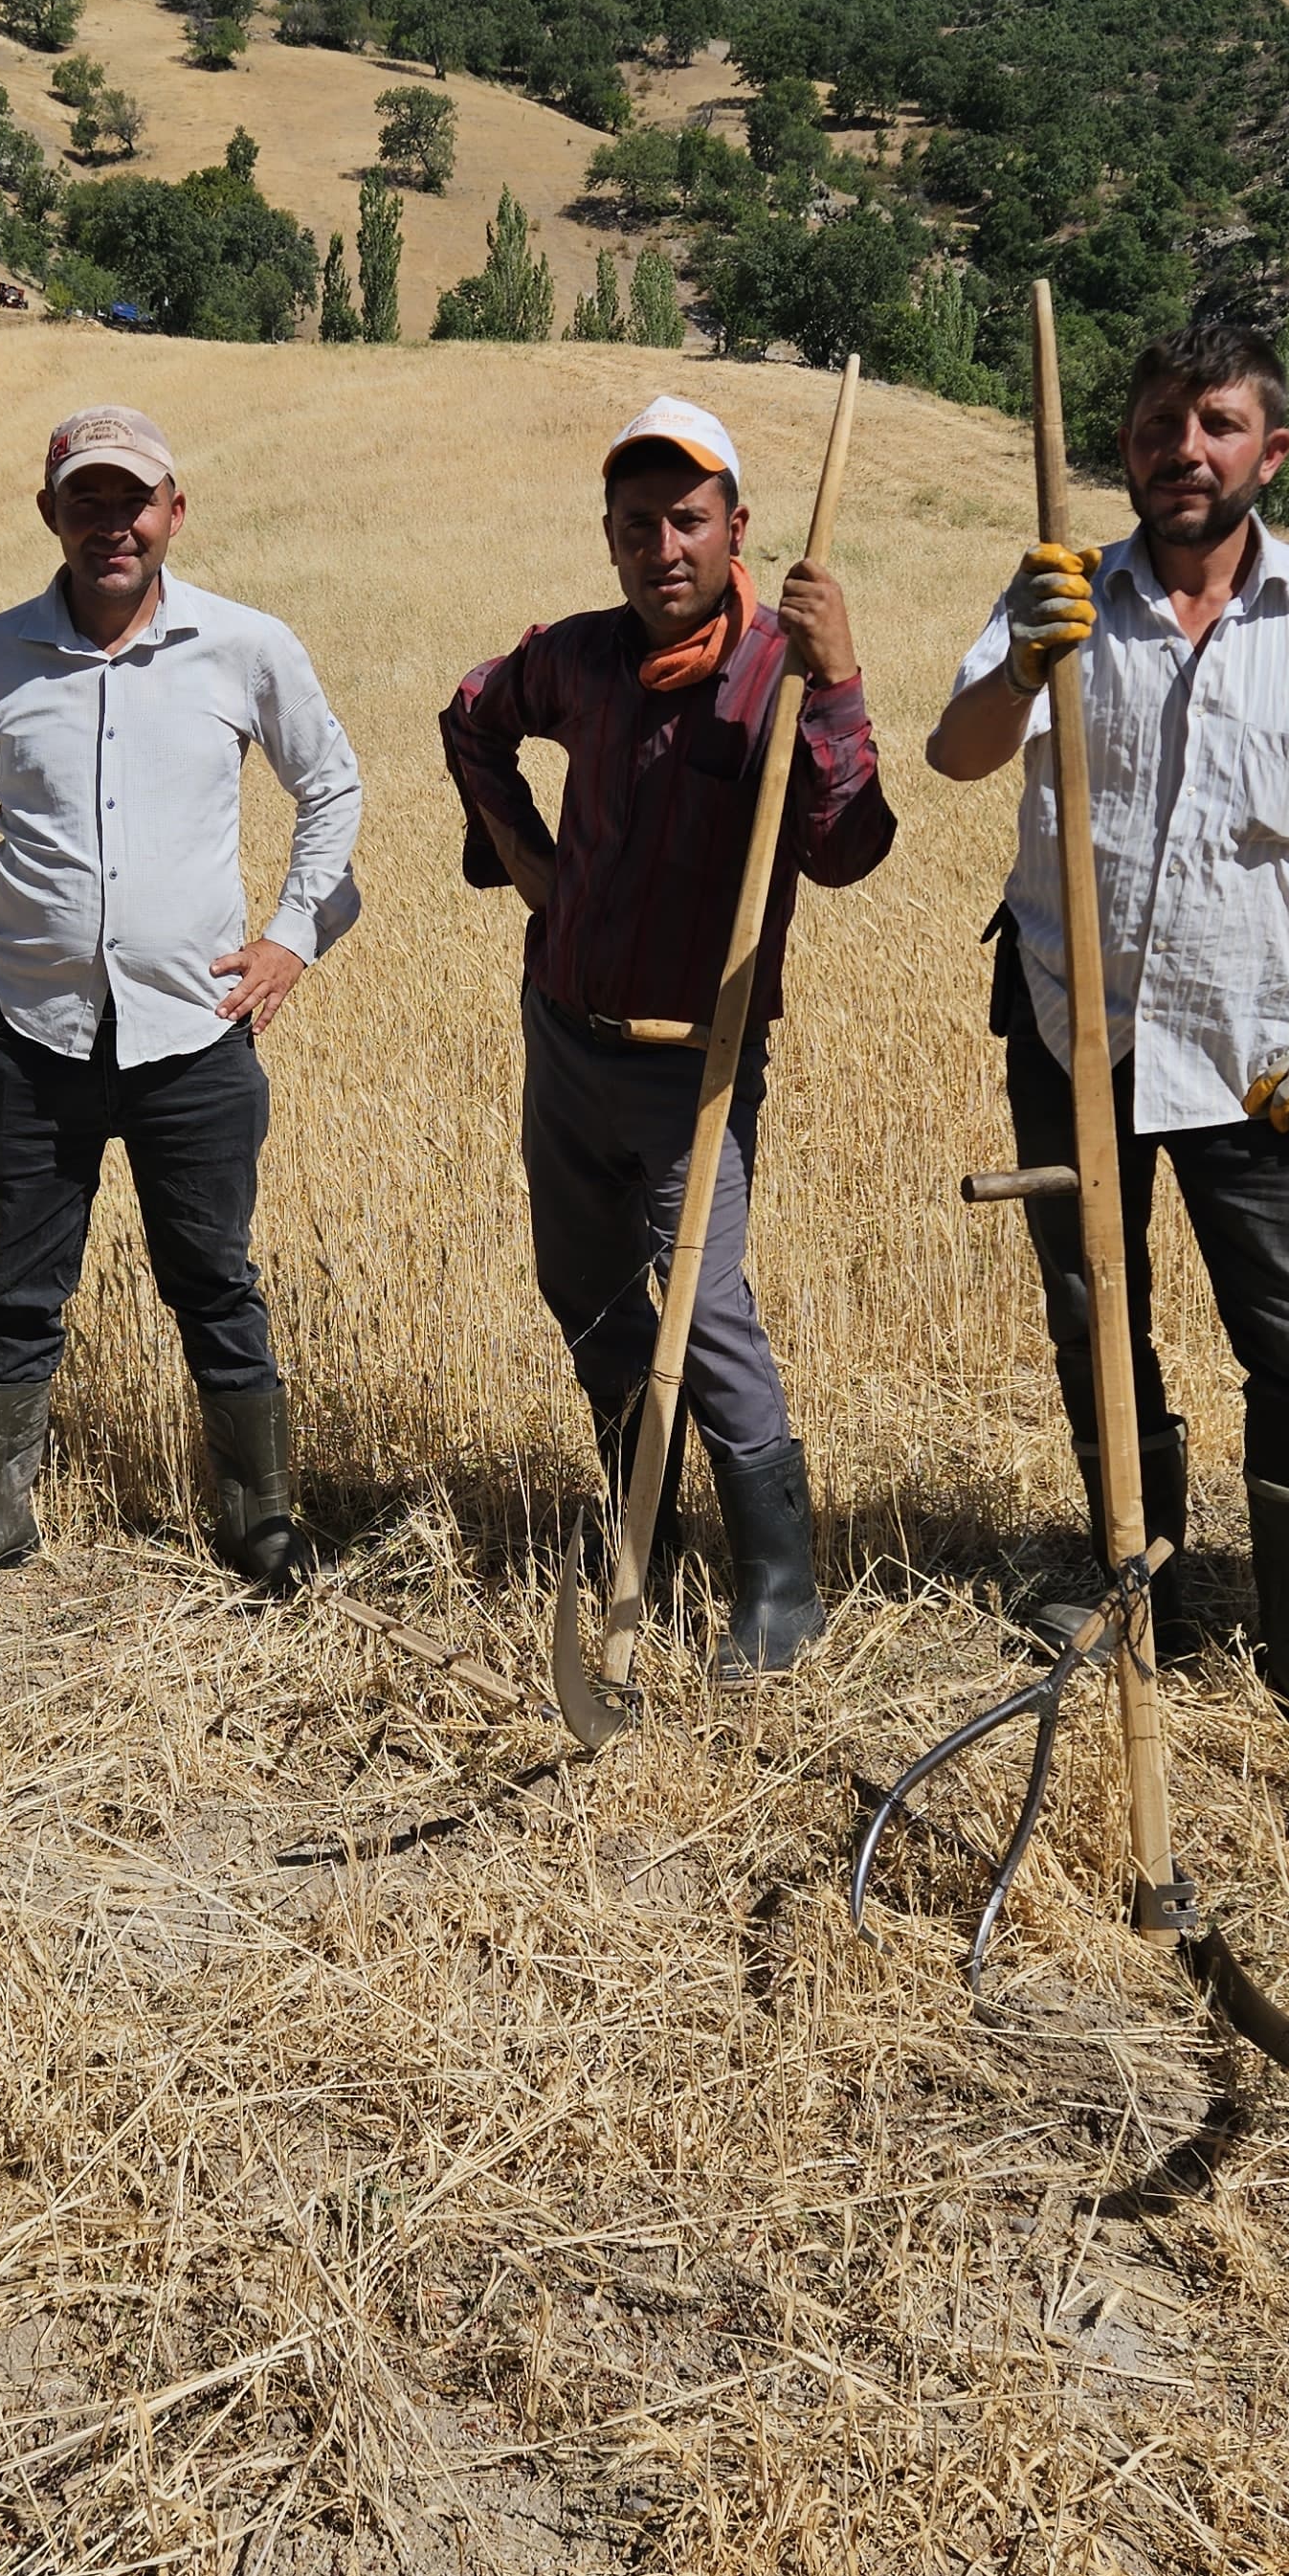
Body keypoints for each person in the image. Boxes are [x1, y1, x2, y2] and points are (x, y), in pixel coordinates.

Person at [927, 321, 1289, 1751]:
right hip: (1072, 1035)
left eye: (1219, 425)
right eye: (1157, 425)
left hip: (1260, 1060)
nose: (1183, 450)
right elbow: (953, 753)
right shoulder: (1062, 594)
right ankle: (1143, 1589)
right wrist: (1019, 664)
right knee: (1095, 1322)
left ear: (1271, 451)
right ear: (1120, 446)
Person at [0, 405, 362, 1598]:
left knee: (214, 1280)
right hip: (32, 1033)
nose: (112, 523)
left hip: (194, 1033)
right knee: (18, 1280)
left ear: (173, 513)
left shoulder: (244, 646)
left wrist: (289, 940)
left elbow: (331, 787)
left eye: (134, 500)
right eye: (87, 500)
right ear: (51, 517)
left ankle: (257, 1518)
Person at [439, 394, 892, 1680]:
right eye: (636, 526)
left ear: (735, 526)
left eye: (686, 520)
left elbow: (849, 848)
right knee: (581, 1288)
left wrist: (841, 681)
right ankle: (649, 1525)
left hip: (699, 1055)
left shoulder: (780, 676)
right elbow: (470, 713)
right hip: (567, 1032)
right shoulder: (577, 659)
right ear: (611, 539)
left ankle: (779, 1591)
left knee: (707, 1310)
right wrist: (526, 861)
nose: (663, 548)